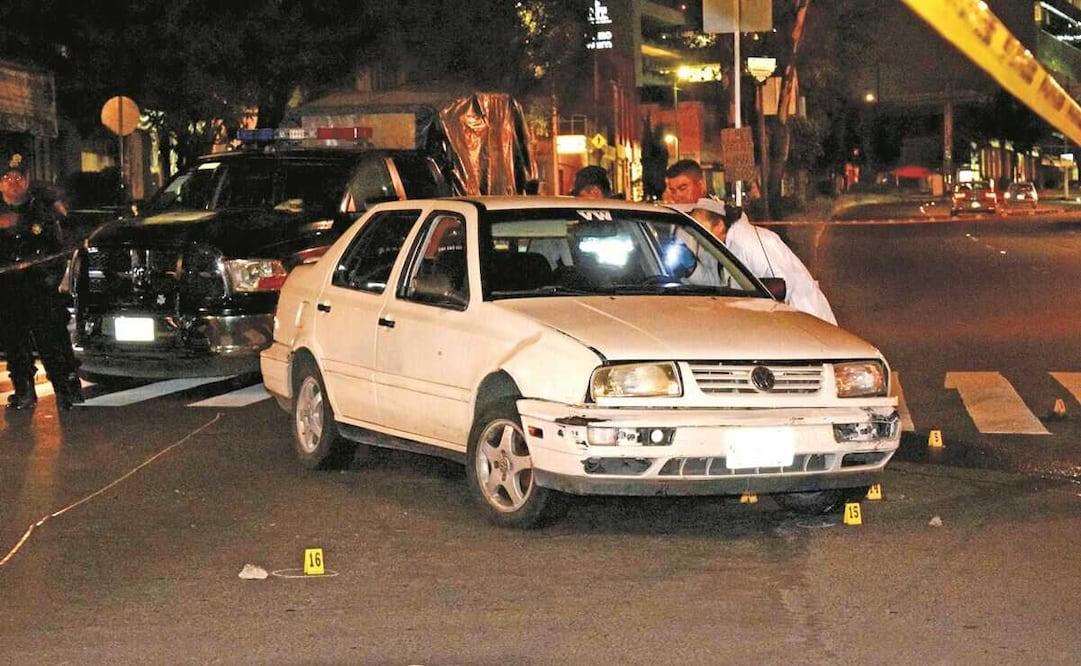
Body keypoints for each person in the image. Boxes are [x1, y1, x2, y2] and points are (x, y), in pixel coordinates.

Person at [0, 154, 84, 410]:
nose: (13, 183)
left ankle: (66, 388)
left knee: (52, 339)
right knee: (14, 341)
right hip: (7, 288)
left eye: (18, 178)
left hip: (39, 286)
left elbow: (59, 249)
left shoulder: (43, 211)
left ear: (27, 181)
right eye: (7, 178)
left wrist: (48, 278)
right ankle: (23, 390)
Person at [690, 197, 837, 324]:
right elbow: (717, 284)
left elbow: (781, 285)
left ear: (719, 225)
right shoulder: (719, 246)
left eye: (700, 227)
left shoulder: (749, 242)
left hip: (804, 317)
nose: (696, 233)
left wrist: (747, 296)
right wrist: (691, 270)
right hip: (770, 321)